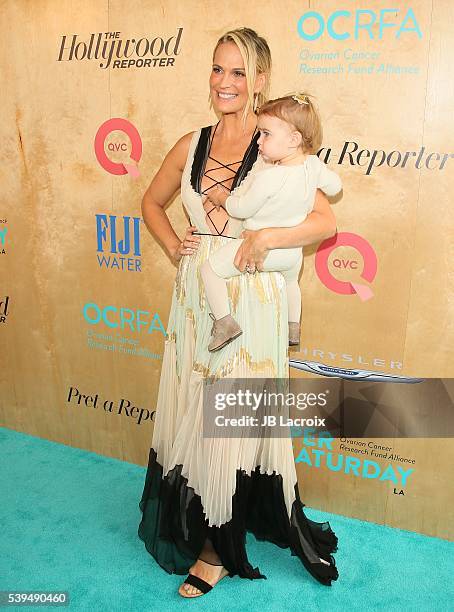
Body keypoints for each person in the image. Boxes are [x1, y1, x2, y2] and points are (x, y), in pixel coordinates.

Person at [138, 27, 339, 599]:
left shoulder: (276, 140)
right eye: (217, 69)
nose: (224, 82)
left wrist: (269, 235)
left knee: (227, 421)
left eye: (238, 72)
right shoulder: (192, 143)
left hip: (254, 299)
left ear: (261, 80)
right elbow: (150, 202)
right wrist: (176, 241)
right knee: (195, 416)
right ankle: (202, 519)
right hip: (199, 295)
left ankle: (214, 547)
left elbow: (325, 222)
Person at [200, 92, 342, 352]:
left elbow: (241, 208)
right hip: (291, 256)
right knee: (291, 284)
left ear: (293, 139)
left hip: (260, 252)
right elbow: (335, 187)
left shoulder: (269, 178)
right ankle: (292, 327)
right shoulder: (313, 166)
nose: (259, 141)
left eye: (266, 134)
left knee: (209, 270)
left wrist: (223, 198)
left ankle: (224, 323)